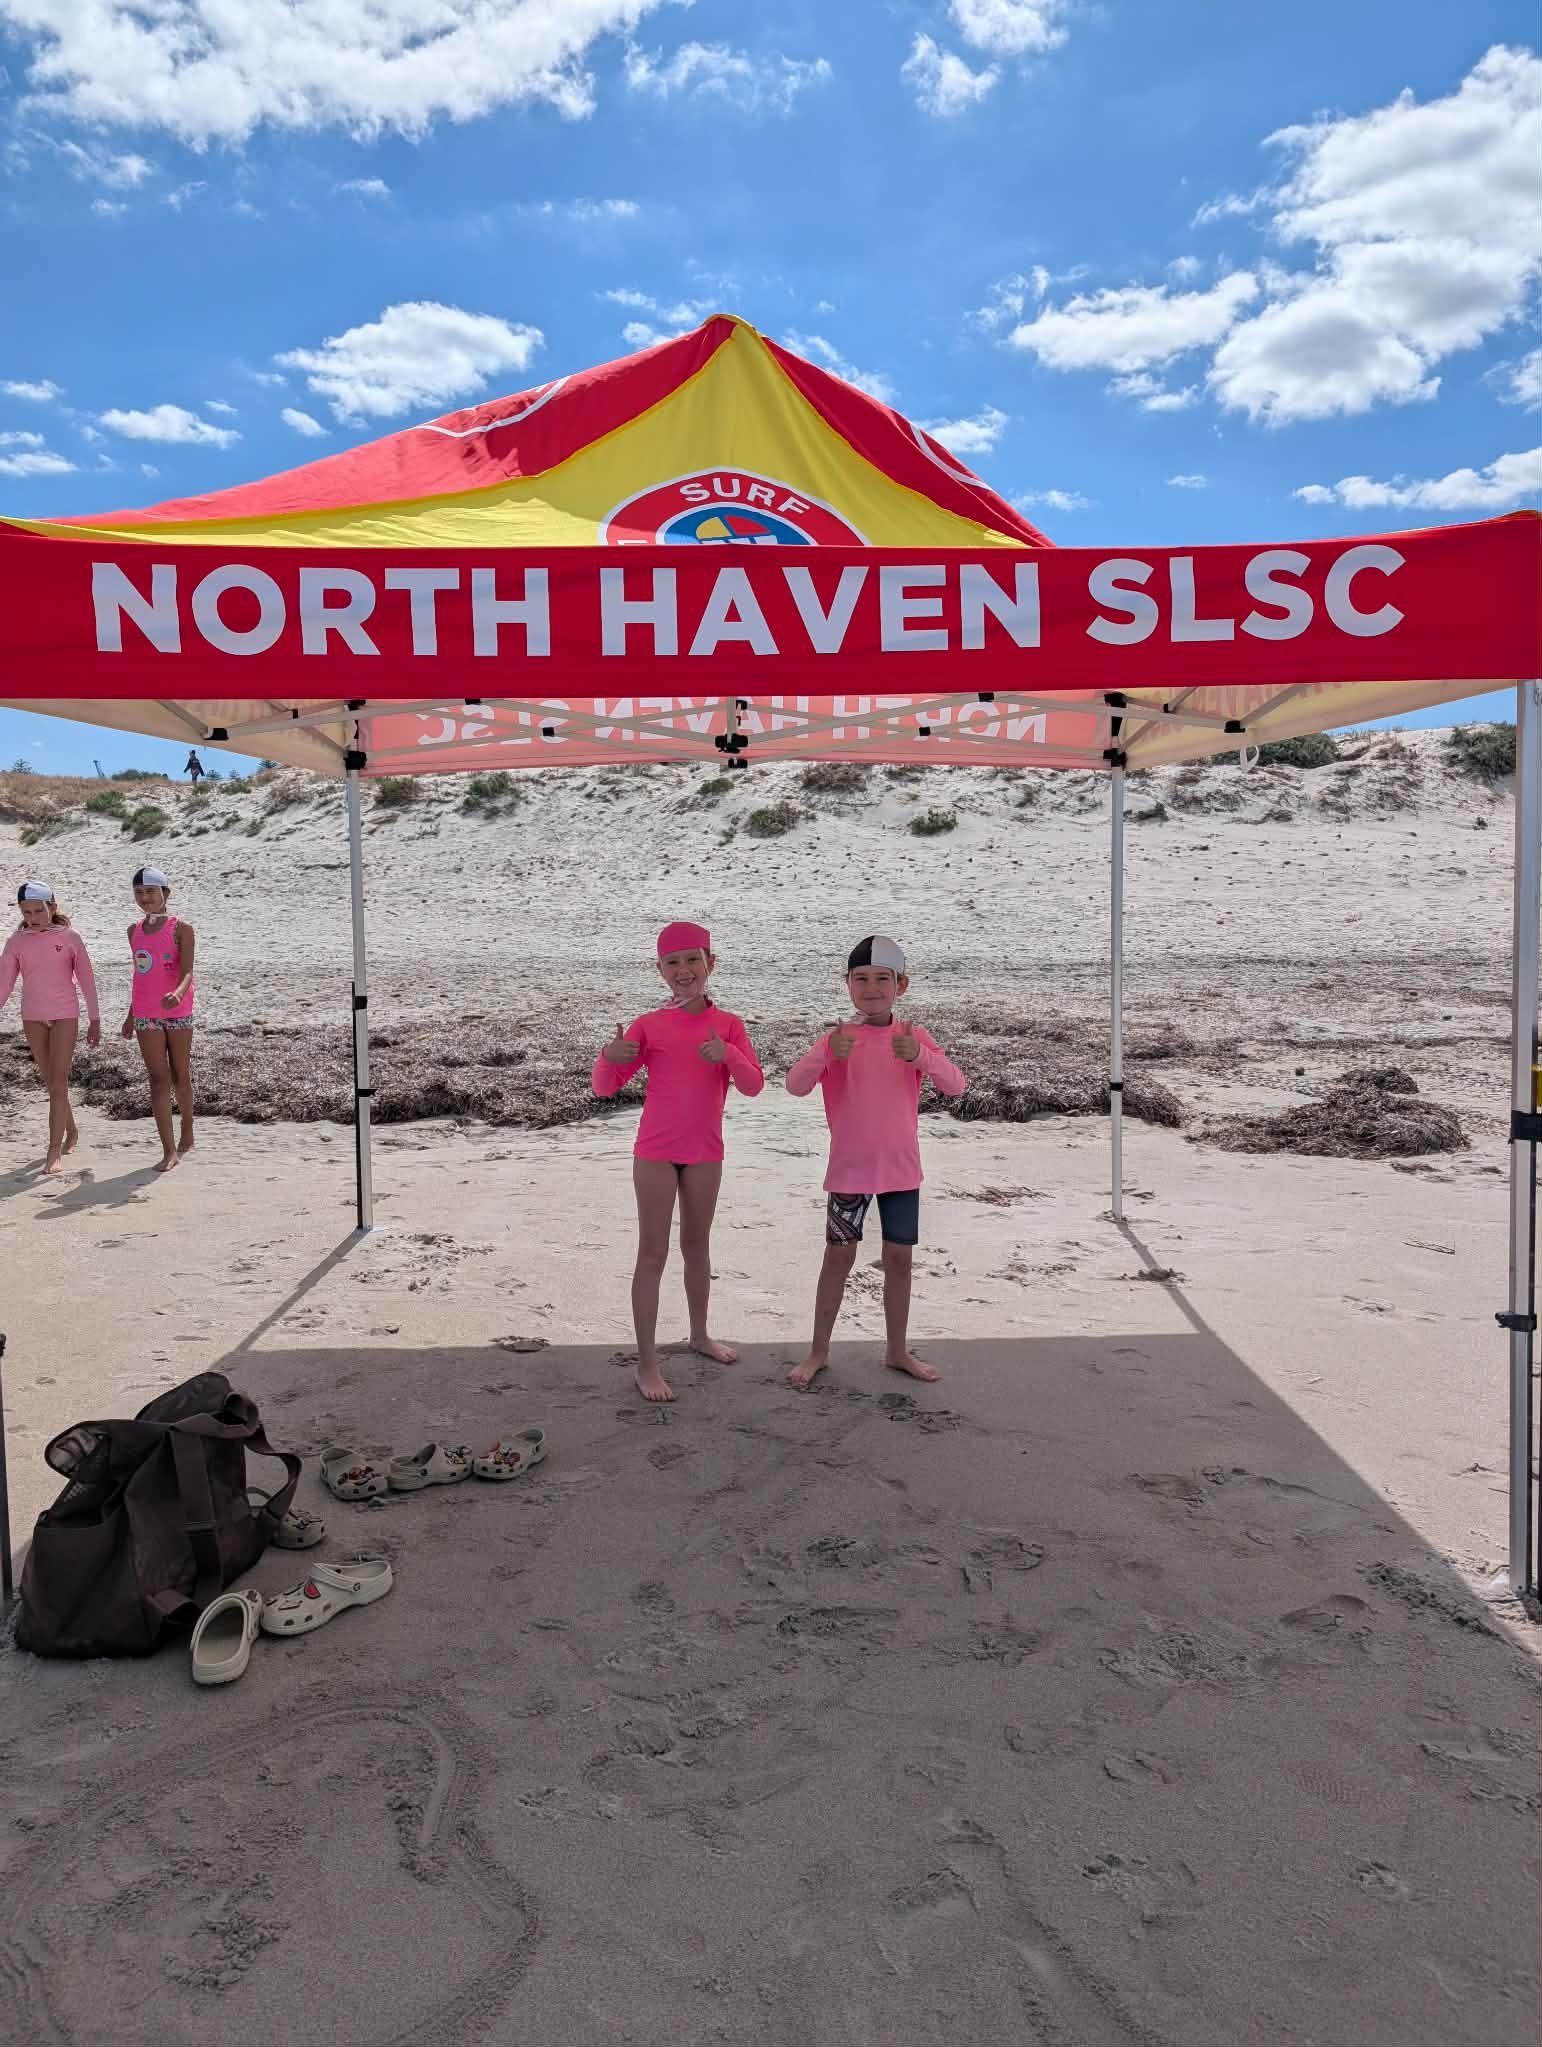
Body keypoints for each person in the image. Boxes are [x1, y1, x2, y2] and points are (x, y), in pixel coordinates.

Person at [592, 921, 764, 1403]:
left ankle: (699, 1334)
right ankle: (647, 1364)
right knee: (653, 1253)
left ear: (711, 962)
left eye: (693, 959)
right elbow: (605, 1087)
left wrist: (727, 1053)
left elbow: (753, 1085)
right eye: (673, 962)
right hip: (655, 1153)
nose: (684, 970)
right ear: (660, 969)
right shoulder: (649, 1025)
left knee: (697, 1246)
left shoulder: (729, 1024)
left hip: (706, 1151)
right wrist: (610, 1056)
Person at [784, 935, 966, 1390]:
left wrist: (920, 1056)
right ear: (847, 985)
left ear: (900, 985)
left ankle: (897, 1350)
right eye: (860, 979)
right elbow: (794, 1085)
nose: (870, 988)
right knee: (837, 1259)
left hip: (902, 1172)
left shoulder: (913, 1037)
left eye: (881, 979)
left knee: (899, 1260)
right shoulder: (837, 1038)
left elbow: (956, 1086)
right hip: (849, 1172)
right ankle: (818, 1351)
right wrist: (828, 1052)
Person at [0, 881, 101, 1174]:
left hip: (64, 1015)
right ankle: (71, 1131)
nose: (33, 917)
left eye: (38, 910)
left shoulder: (70, 937)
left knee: (59, 1081)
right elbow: (4, 984)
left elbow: (87, 980)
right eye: (27, 912)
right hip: (32, 1016)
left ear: (52, 907)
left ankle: (53, 1150)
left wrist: (94, 1019)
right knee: (50, 1081)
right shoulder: (16, 942)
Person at [120, 865, 197, 1173]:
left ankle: (188, 1130)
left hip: (178, 1012)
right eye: (139, 893)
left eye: (150, 891)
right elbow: (140, 976)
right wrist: (130, 1015)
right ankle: (168, 1150)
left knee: (180, 1074)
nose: (144, 898)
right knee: (157, 1079)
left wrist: (178, 993)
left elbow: (187, 971)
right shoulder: (133, 931)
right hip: (146, 1015)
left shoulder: (182, 929)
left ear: (166, 893)